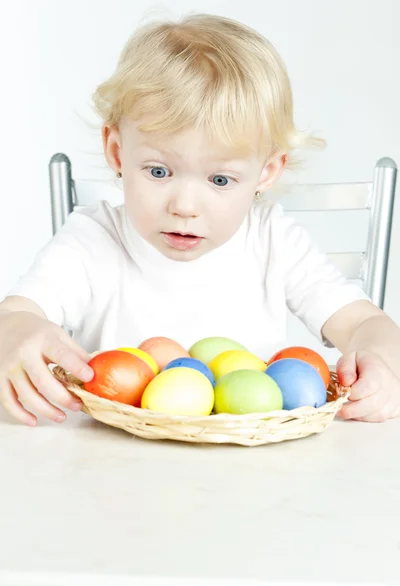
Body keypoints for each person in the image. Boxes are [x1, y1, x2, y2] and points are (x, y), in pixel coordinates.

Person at [1, 14, 399, 427]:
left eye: (220, 179)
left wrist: (383, 362)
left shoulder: (273, 241)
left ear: (266, 172)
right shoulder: (92, 241)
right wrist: (12, 331)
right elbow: (16, 314)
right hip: (114, 467)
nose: (185, 206)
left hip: (259, 470)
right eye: (158, 172)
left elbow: (366, 324)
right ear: (118, 152)